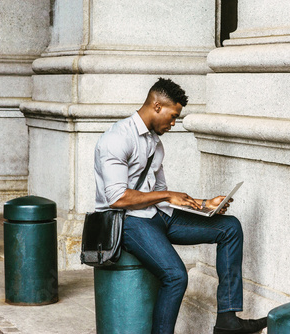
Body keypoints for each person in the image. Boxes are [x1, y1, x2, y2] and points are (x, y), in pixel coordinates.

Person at [94, 77, 267, 334]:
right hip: (127, 220)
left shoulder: (155, 143)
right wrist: (166, 197)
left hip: (158, 216)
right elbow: (117, 197)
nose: (174, 123)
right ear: (156, 106)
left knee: (229, 227)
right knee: (175, 276)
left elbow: (162, 193)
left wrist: (204, 204)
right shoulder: (117, 139)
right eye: (173, 116)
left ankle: (227, 320)